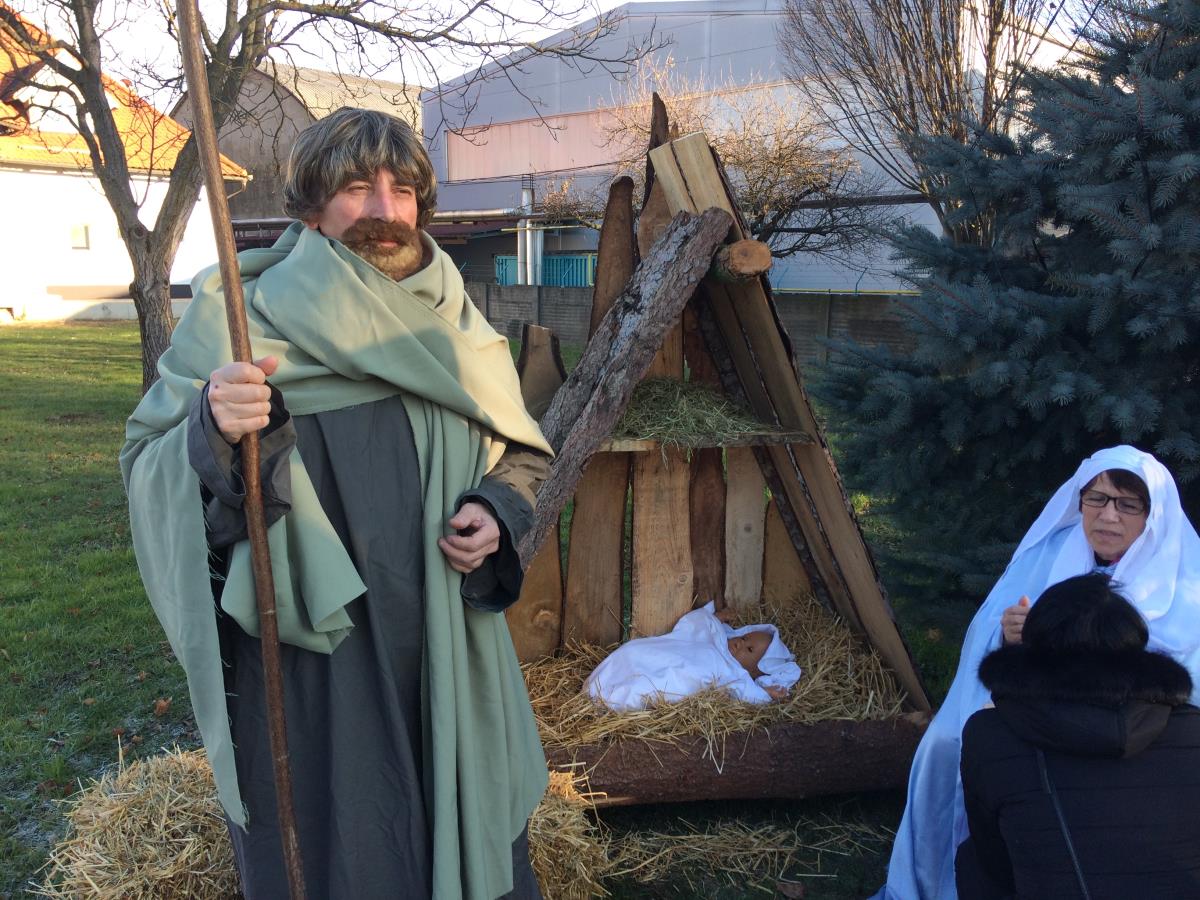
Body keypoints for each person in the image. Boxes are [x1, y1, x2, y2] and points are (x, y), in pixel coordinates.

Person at [121, 108, 554, 899]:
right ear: (311, 207)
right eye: (357, 188)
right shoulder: (239, 319)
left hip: (444, 643)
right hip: (310, 659)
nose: (385, 210)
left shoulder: (454, 319)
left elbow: (521, 451)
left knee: (460, 816)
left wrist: (497, 508)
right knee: (340, 842)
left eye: (403, 190)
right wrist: (213, 425)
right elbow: (149, 461)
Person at [874, 445, 1200, 899]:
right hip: (1042, 700)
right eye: (1097, 499)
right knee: (945, 743)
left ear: (1153, 514)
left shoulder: (1185, 575)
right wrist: (1010, 636)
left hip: (1142, 719)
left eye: (1128, 504)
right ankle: (933, 879)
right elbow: (988, 634)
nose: (1108, 516)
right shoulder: (1048, 551)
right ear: (1079, 501)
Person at [956, 573, 1200, 898]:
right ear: (1133, 645)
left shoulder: (988, 734)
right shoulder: (1193, 727)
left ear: (1034, 649)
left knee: (970, 860)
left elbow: (993, 857)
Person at [584, 601, 801, 711]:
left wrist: (766, 693)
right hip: (666, 653)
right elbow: (696, 627)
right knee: (634, 651)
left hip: (682, 673)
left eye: (749, 650)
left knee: (652, 684)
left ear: (756, 670)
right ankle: (598, 684)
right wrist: (715, 618)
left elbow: (748, 694)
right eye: (744, 638)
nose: (739, 644)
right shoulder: (717, 639)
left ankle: (608, 700)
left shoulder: (735, 675)